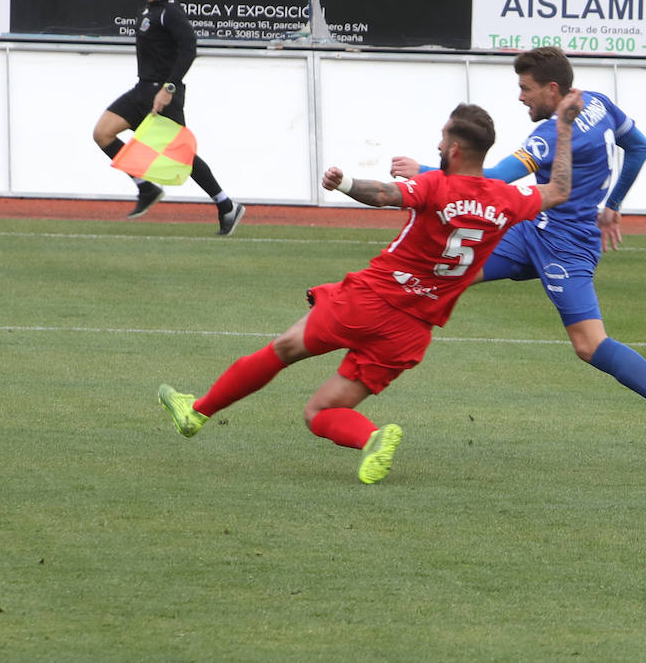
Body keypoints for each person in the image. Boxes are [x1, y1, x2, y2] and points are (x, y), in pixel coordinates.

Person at [159, 92, 583, 484]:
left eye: (442, 140)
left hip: (371, 301)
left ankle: (197, 413)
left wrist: (344, 183)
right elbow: (560, 189)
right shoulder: (506, 199)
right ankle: (372, 439)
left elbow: (383, 194)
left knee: (284, 349)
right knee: (320, 411)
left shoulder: (436, 185)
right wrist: (564, 126)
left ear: (454, 149)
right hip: (413, 331)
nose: (437, 146)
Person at [391, 46, 646, 473]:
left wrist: (425, 172)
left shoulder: (548, 136)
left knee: (590, 345)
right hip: (530, 231)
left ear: (552, 89)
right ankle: (346, 304)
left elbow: (491, 180)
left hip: (567, 245)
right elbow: (639, 146)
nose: (521, 97)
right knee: (448, 271)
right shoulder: (597, 102)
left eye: (526, 88)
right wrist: (613, 205)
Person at [93, 0, 246, 236]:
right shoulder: (147, 10)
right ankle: (146, 188)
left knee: (182, 156)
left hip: (164, 95)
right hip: (142, 90)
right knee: (103, 133)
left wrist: (169, 87)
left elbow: (189, 48)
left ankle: (226, 205)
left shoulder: (170, 12)